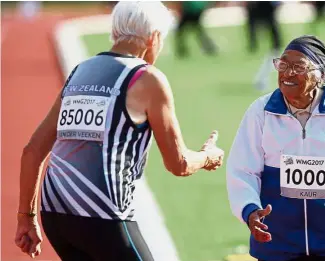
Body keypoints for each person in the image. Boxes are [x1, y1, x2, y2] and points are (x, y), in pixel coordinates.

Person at [15, 1, 224, 260]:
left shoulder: (80, 71)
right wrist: (207, 156)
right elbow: (178, 163)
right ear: (153, 37)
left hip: (55, 214)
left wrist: (26, 216)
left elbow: (32, 150)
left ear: (115, 31)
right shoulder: (147, 78)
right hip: (103, 215)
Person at [226, 35, 325, 261]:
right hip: (277, 244)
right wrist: (250, 210)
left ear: (321, 75)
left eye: (298, 67)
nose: (288, 73)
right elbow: (243, 171)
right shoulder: (260, 113)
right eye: (282, 64)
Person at [245, 1, 283, 91]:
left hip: (264, 9)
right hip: (259, 9)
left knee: (274, 46)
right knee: (270, 46)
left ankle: (262, 78)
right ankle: (261, 78)